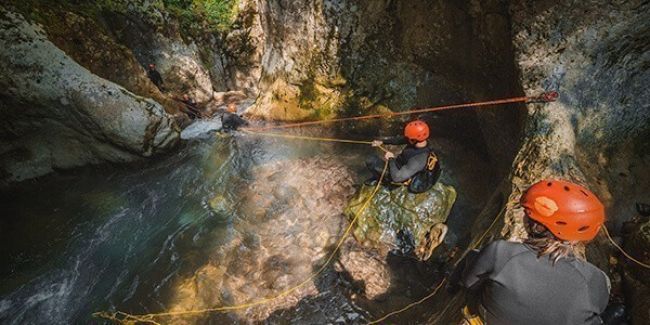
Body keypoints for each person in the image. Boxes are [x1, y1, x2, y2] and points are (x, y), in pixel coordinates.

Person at [458, 179, 610, 325]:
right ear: (575, 239)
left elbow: (468, 283)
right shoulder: (596, 281)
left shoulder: (501, 253)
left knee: (473, 257)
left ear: (534, 226)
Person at [365, 119, 440, 193]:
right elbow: (401, 140)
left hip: (400, 173)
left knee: (370, 160)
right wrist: (382, 142)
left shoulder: (418, 160)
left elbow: (397, 178)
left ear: (414, 140)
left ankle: (384, 181)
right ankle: (382, 176)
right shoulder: (420, 141)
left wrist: (391, 159)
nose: (406, 139)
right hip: (401, 164)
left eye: (409, 138)